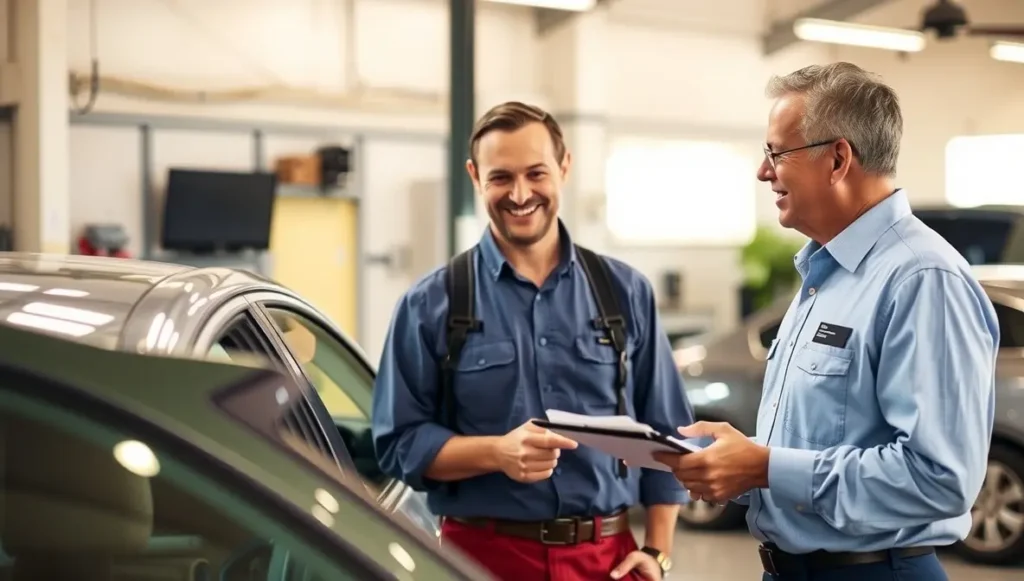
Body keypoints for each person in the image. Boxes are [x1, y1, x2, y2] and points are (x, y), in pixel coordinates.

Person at [654, 62, 999, 581]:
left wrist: (765, 467)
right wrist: (737, 465)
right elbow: (824, 446)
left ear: (838, 158)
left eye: (776, 152)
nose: (763, 171)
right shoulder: (825, 272)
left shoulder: (922, 278)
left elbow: (941, 479)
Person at [371, 101, 693, 581]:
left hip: (606, 560)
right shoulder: (429, 303)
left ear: (563, 168)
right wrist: (496, 452)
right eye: (500, 177)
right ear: (475, 176)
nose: (520, 194)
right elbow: (399, 442)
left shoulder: (625, 293)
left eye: (536, 174)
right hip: (480, 560)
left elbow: (668, 434)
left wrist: (658, 553)